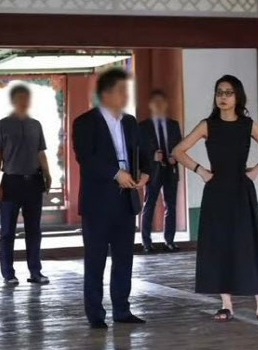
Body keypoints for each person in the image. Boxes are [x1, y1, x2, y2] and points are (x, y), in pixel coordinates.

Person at [172, 75, 258, 322]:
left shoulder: (248, 125)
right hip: (216, 190)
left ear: (237, 96)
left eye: (228, 92)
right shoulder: (207, 125)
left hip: (242, 189)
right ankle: (226, 304)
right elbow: (178, 151)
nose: (223, 97)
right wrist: (201, 171)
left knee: (249, 244)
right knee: (219, 244)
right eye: (219, 92)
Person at [72, 68, 150, 329]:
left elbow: (142, 152)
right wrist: (116, 173)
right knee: (95, 260)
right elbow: (87, 159)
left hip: (126, 200)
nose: (125, 96)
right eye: (120, 91)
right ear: (105, 94)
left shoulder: (130, 122)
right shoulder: (85, 122)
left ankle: (122, 310)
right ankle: (96, 315)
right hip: (98, 203)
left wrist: (146, 172)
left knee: (124, 258)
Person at [0, 84, 51, 286]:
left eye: (27, 98)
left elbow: (41, 152)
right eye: (21, 98)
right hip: (11, 182)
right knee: (7, 231)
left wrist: (48, 174)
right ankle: (8, 273)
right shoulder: (2, 125)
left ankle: (35, 272)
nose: (25, 102)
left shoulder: (36, 125)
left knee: (34, 230)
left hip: (33, 182)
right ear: (14, 101)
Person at [139, 89, 183, 253]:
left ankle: (169, 241)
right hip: (152, 171)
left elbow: (180, 146)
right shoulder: (143, 127)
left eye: (161, 102)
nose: (158, 105)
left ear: (166, 104)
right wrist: (152, 157)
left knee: (171, 206)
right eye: (155, 102)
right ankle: (146, 242)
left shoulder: (173, 125)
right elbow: (139, 150)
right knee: (149, 205)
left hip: (171, 170)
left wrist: (175, 157)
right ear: (150, 105)